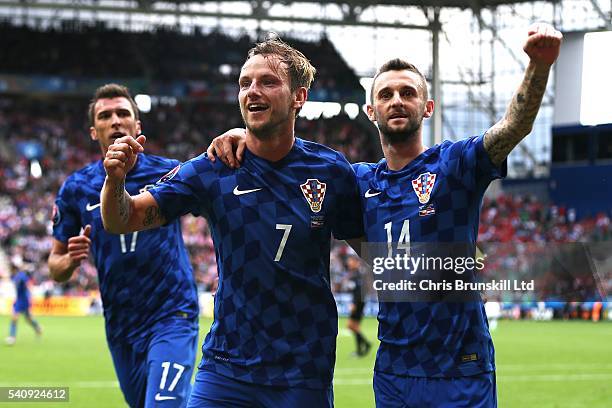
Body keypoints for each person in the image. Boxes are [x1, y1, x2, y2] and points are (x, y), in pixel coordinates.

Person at [207, 23, 562, 408]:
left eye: (408, 93)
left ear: (427, 108)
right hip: (393, 369)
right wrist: (246, 136)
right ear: (370, 110)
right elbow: (291, 165)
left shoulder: (456, 164)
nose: (396, 100)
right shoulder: (355, 180)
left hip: (461, 364)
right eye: (386, 94)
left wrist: (539, 66)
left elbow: (514, 127)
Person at [100, 38, 363, 408]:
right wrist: (115, 181)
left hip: (303, 372)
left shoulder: (331, 170)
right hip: (227, 369)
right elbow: (123, 219)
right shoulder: (213, 167)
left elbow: (374, 250)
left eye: (268, 82)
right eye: (245, 83)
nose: (252, 91)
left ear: (299, 97)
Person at [48, 84, 199, 408]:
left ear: (137, 126)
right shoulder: (76, 187)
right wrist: (70, 262)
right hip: (121, 324)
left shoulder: (169, 171)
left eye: (122, 113)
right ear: (93, 131)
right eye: (105, 115)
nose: (115, 120)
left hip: (172, 314)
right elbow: (55, 266)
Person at [5, 263, 42, 345]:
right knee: (15, 318)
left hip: (25, 300)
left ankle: (37, 327)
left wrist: (32, 295)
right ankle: (12, 337)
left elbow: (28, 284)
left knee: (28, 319)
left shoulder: (21, 276)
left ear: (13, 268)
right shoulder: (14, 276)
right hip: (19, 300)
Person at [345, 255, 371, 357]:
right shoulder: (355, 274)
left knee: (351, 326)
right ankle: (360, 350)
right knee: (354, 326)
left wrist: (354, 304)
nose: (349, 263)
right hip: (359, 303)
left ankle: (366, 345)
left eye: (350, 261)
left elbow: (360, 292)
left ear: (356, 262)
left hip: (358, 304)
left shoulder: (357, 275)